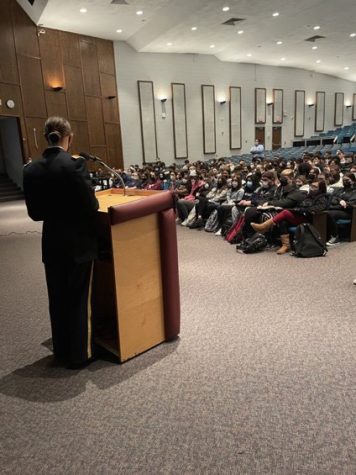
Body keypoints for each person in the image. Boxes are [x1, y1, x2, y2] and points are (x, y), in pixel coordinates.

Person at [23, 116, 99, 369]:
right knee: (79, 298)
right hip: (78, 243)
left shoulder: (30, 169)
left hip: (52, 242)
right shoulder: (76, 165)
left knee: (57, 299)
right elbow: (92, 206)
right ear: (70, 137)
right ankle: (79, 356)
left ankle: (62, 351)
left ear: (46, 136)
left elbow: (35, 214)